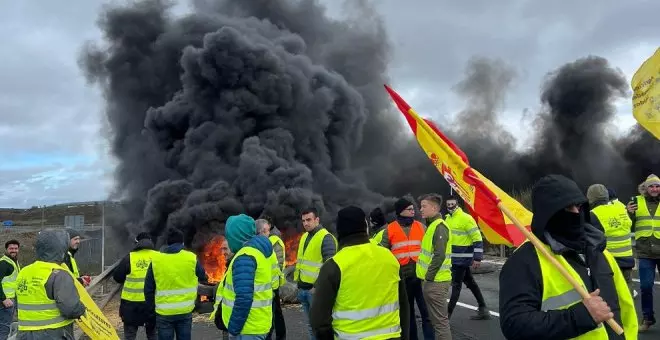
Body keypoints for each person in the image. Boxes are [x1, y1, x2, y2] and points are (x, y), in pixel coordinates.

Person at [499, 174, 638, 339]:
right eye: (567, 208)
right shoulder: (524, 261)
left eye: (579, 207)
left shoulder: (600, 253)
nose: (576, 213)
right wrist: (581, 317)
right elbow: (514, 325)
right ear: (547, 214)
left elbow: (625, 308)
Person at [311, 206, 410, 340]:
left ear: (339, 230)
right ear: (366, 226)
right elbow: (403, 305)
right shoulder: (389, 258)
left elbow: (319, 320)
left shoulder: (334, 266)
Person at [380, 198, 434, 340]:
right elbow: (382, 254)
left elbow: (431, 249)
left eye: (413, 209)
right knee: (408, 315)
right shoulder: (390, 229)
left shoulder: (421, 227)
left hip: (421, 277)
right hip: (403, 279)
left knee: (427, 314)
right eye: (409, 209)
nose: (413, 211)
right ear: (401, 211)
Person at [15, 229, 85, 339]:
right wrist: (82, 308)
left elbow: (18, 300)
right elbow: (71, 309)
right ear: (61, 249)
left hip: (24, 334)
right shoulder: (59, 274)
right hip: (53, 333)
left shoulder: (24, 271)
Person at [213, 214, 275, 339]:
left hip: (247, 329)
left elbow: (244, 297)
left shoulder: (245, 257)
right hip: (256, 324)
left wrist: (234, 329)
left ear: (237, 236)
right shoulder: (256, 252)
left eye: (229, 236)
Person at [145, 229, 207, 340]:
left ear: (167, 243)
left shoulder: (156, 260)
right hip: (185, 311)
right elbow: (203, 276)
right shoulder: (191, 258)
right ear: (182, 243)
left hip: (163, 313)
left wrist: (151, 311)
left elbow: (148, 288)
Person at [444, 196, 490, 320]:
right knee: (470, 282)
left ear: (457, 204)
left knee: (456, 285)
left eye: (452, 204)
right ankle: (483, 308)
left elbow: (477, 238)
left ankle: (447, 316)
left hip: (462, 260)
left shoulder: (466, 219)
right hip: (453, 259)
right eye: (448, 204)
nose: (450, 207)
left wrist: (477, 258)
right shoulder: (447, 219)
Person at [294, 207, 337, 340]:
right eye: (303, 221)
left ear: (317, 220)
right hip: (303, 290)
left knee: (321, 327)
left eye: (309, 220)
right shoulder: (304, 237)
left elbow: (329, 267)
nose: (306, 223)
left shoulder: (326, 238)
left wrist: (317, 287)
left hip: (315, 292)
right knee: (311, 326)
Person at [626, 173, 660, 332]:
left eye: (657, 186)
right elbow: (627, 225)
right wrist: (628, 213)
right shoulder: (636, 202)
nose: (654, 189)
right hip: (645, 252)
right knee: (646, 286)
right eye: (651, 186)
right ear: (645, 188)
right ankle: (648, 319)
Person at [416, 194, 452, 340]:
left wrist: (429, 278)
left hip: (435, 282)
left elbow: (439, 255)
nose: (421, 209)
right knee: (438, 323)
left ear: (435, 208)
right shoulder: (432, 226)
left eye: (424, 206)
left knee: (441, 325)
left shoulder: (439, 227)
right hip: (433, 281)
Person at [586, 184, 635, 291]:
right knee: (627, 293)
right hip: (627, 259)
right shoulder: (621, 207)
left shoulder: (593, 214)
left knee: (611, 294)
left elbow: (590, 240)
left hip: (609, 261)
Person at [113, 232, 158, 340]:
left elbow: (117, 277)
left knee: (130, 335)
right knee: (153, 334)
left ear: (137, 243)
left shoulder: (129, 257)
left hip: (131, 305)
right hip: (152, 303)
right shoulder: (158, 256)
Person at [256, 219, 286, 340]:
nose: (266, 233)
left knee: (275, 314)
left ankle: (280, 336)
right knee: (273, 314)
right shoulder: (262, 242)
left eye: (266, 230)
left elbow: (278, 264)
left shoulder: (275, 241)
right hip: (266, 286)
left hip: (273, 286)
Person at [0, 240, 20, 340]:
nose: (14, 251)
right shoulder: (4, 263)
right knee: (4, 328)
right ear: (6, 250)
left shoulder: (13, 262)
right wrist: (3, 298)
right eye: (11, 249)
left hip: (10, 300)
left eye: (16, 248)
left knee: (6, 326)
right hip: (5, 301)